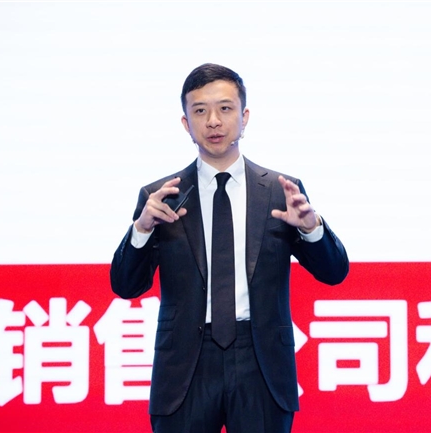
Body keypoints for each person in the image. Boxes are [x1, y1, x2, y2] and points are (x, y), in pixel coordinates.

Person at [110, 63, 349, 433]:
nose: (213, 121)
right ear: (186, 124)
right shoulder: (162, 196)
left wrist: (311, 227)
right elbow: (126, 285)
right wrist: (141, 229)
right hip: (185, 367)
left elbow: (334, 273)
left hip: (260, 363)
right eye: (200, 111)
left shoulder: (280, 191)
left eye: (225, 108)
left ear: (244, 117)